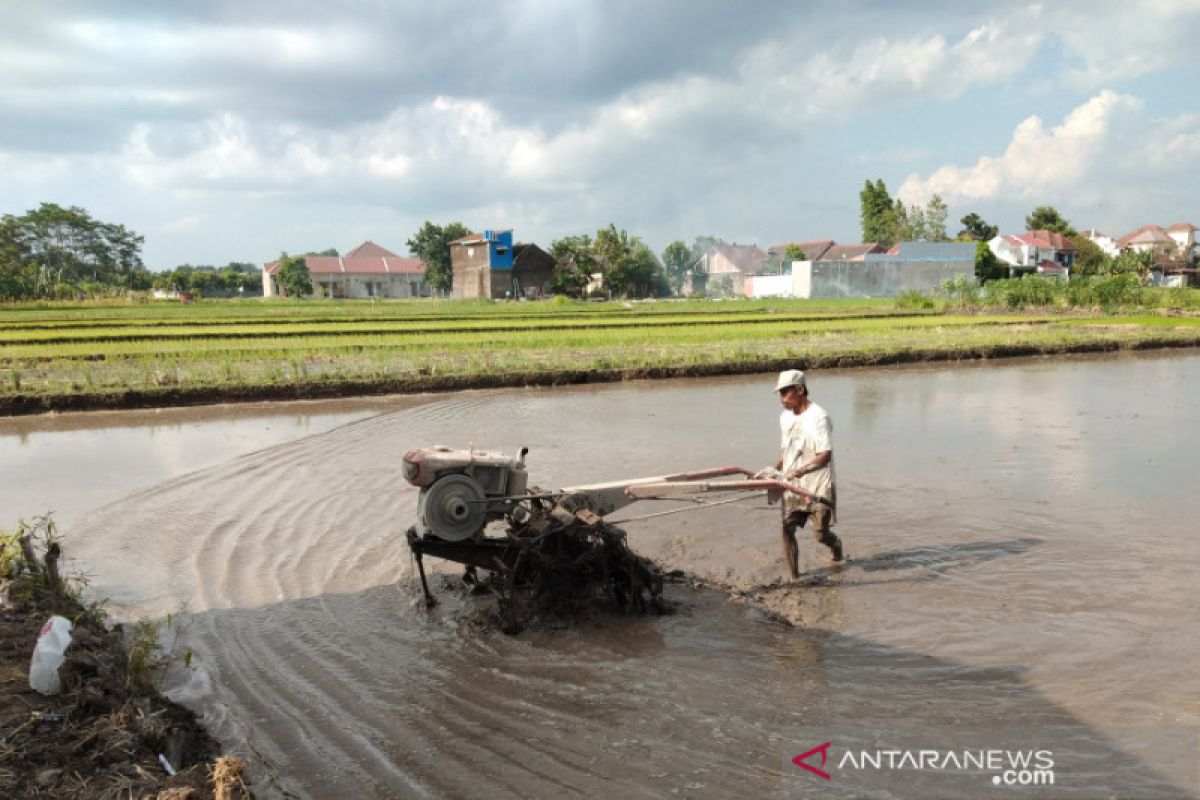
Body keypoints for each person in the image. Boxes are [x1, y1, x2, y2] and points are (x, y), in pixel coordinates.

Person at [762, 369, 844, 578]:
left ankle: (837, 548)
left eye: (785, 393)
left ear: (800, 389)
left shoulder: (819, 417)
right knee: (786, 528)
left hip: (818, 484)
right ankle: (794, 577)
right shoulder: (784, 418)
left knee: (820, 534)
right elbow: (786, 450)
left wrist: (799, 471)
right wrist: (775, 470)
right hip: (793, 485)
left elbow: (825, 455)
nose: (781, 399)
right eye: (780, 394)